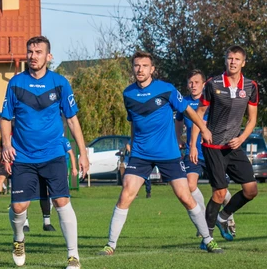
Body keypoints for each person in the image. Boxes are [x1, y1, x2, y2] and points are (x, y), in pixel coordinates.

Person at [97, 50, 223, 256]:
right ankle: (110, 244)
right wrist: (131, 141)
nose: (140, 69)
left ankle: (208, 240)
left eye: (144, 66)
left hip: (168, 154)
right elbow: (133, 122)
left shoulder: (167, 90)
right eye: (137, 65)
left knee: (185, 196)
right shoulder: (128, 94)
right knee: (126, 194)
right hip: (140, 154)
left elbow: (189, 111)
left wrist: (204, 128)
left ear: (152, 69)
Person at [1, 35, 89, 269]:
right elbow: (6, 118)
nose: (33, 56)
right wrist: (6, 145)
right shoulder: (16, 83)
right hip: (23, 157)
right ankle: (19, 240)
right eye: (30, 51)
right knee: (19, 207)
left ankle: (73, 256)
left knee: (61, 201)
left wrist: (82, 152)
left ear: (48, 57)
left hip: (52, 154)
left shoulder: (60, 83)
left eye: (38, 52)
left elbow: (72, 119)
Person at [190, 45, 259, 243]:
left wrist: (242, 138)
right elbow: (199, 114)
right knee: (219, 192)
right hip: (212, 146)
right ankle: (207, 238)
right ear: (225, 60)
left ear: (243, 63)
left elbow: (252, 119)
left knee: (251, 190)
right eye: (229, 58)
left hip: (234, 146)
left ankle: (222, 217)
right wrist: (194, 144)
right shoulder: (213, 84)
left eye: (237, 59)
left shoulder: (251, 87)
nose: (233, 62)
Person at [175, 69, 235, 236]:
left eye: (196, 82)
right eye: (190, 82)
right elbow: (179, 121)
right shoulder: (184, 103)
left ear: (203, 84)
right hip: (193, 152)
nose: (193, 85)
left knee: (220, 190)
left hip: (212, 151)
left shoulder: (210, 102)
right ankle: (204, 220)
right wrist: (178, 138)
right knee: (190, 185)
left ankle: (228, 216)